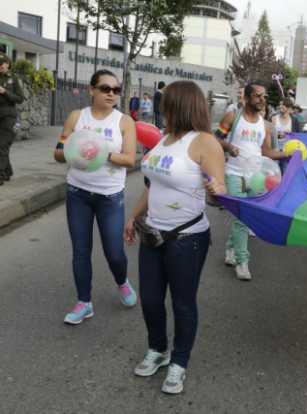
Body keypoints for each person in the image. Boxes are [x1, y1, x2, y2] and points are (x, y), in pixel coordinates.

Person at [124, 80, 226, 395]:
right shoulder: (164, 140)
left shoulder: (205, 142)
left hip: (187, 239)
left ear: (179, 106)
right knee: (151, 300)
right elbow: (153, 185)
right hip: (152, 233)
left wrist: (217, 190)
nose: (160, 108)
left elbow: (219, 190)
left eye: (166, 103)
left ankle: (179, 362)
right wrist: (133, 215)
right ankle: (159, 350)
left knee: (182, 304)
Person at [53, 69, 137, 324]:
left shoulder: (124, 122)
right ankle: (84, 302)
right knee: (81, 250)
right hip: (78, 193)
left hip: (110, 196)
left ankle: (122, 281)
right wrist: (73, 149)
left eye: (116, 90)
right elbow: (57, 153)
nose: (111, 94)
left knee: (114, 252)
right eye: (105, 88)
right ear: (92, 90)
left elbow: (130, 159)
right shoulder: (77, 117)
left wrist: (101, 151)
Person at [215, 81, 288, 280]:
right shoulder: (233, 116)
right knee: (241, 219)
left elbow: (266, 152)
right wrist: (229, 147)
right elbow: (216, 139)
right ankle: (242, 261)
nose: (262, 99)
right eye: (257, 96)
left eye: (264, 96)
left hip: (256, 177)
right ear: (246, 98)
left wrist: (288, 154)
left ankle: (231, 248)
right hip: (234, 174)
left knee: (244, 219)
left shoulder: (264, 126)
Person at [0, 53, 25, 185]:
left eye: (2, 63)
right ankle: (7, 171)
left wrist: (5, 92)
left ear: (7, 64)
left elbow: (20, 98)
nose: (0, 66)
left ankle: (0, 175)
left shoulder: (13, 79)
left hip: (8, 116)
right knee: (2, 146)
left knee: (2, 145)